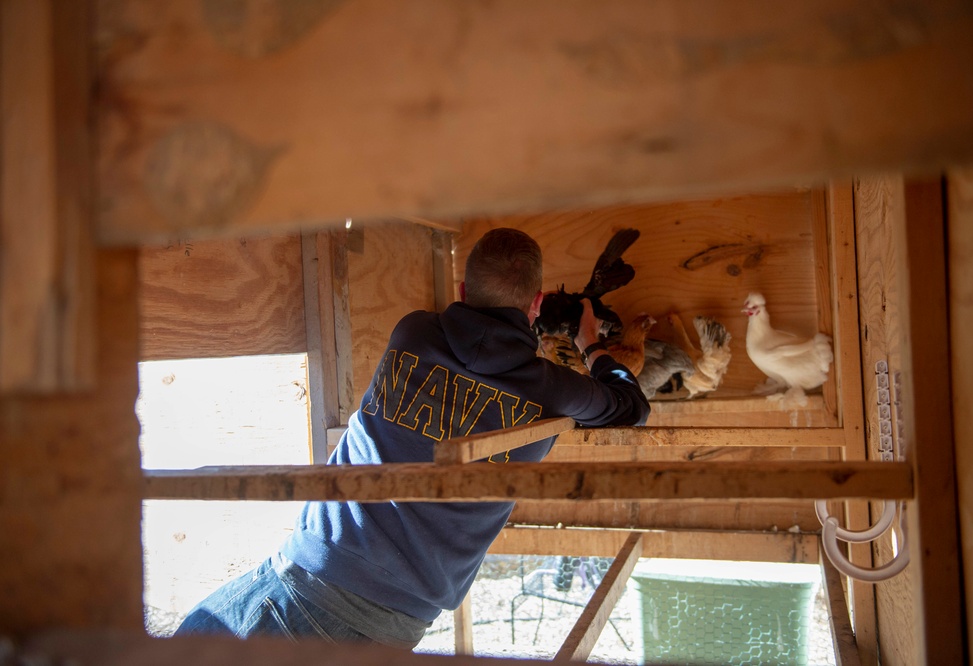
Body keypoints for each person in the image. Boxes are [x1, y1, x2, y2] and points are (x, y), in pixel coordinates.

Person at [174, 227, 650, 646]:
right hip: (391, 627)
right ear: (537, 303)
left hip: (310, 575)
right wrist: (591, 343)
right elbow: (631, 406)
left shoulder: (413, 332)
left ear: (463, 288)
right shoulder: (552, 389)